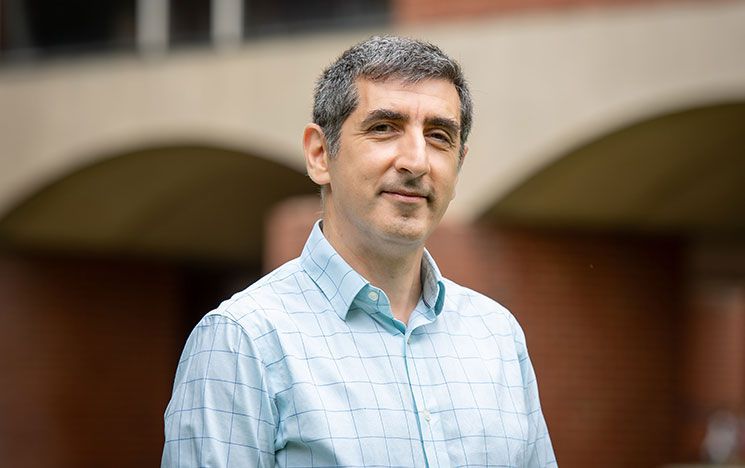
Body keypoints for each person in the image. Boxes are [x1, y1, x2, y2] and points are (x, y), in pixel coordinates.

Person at [162, 35, 557, 467]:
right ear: (319, 155)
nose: (416, 161)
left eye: (439, 135)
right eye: (384, 128)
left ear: (459, 164)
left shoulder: (497, 336)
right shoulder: (242, 340)